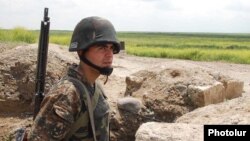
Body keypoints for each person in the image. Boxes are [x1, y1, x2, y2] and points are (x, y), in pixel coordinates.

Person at [27, 16, 121, 141]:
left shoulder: (94, 85)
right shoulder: (67, 94)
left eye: (111, 48)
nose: (109, 54)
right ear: (81, 51)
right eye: (102, 48)